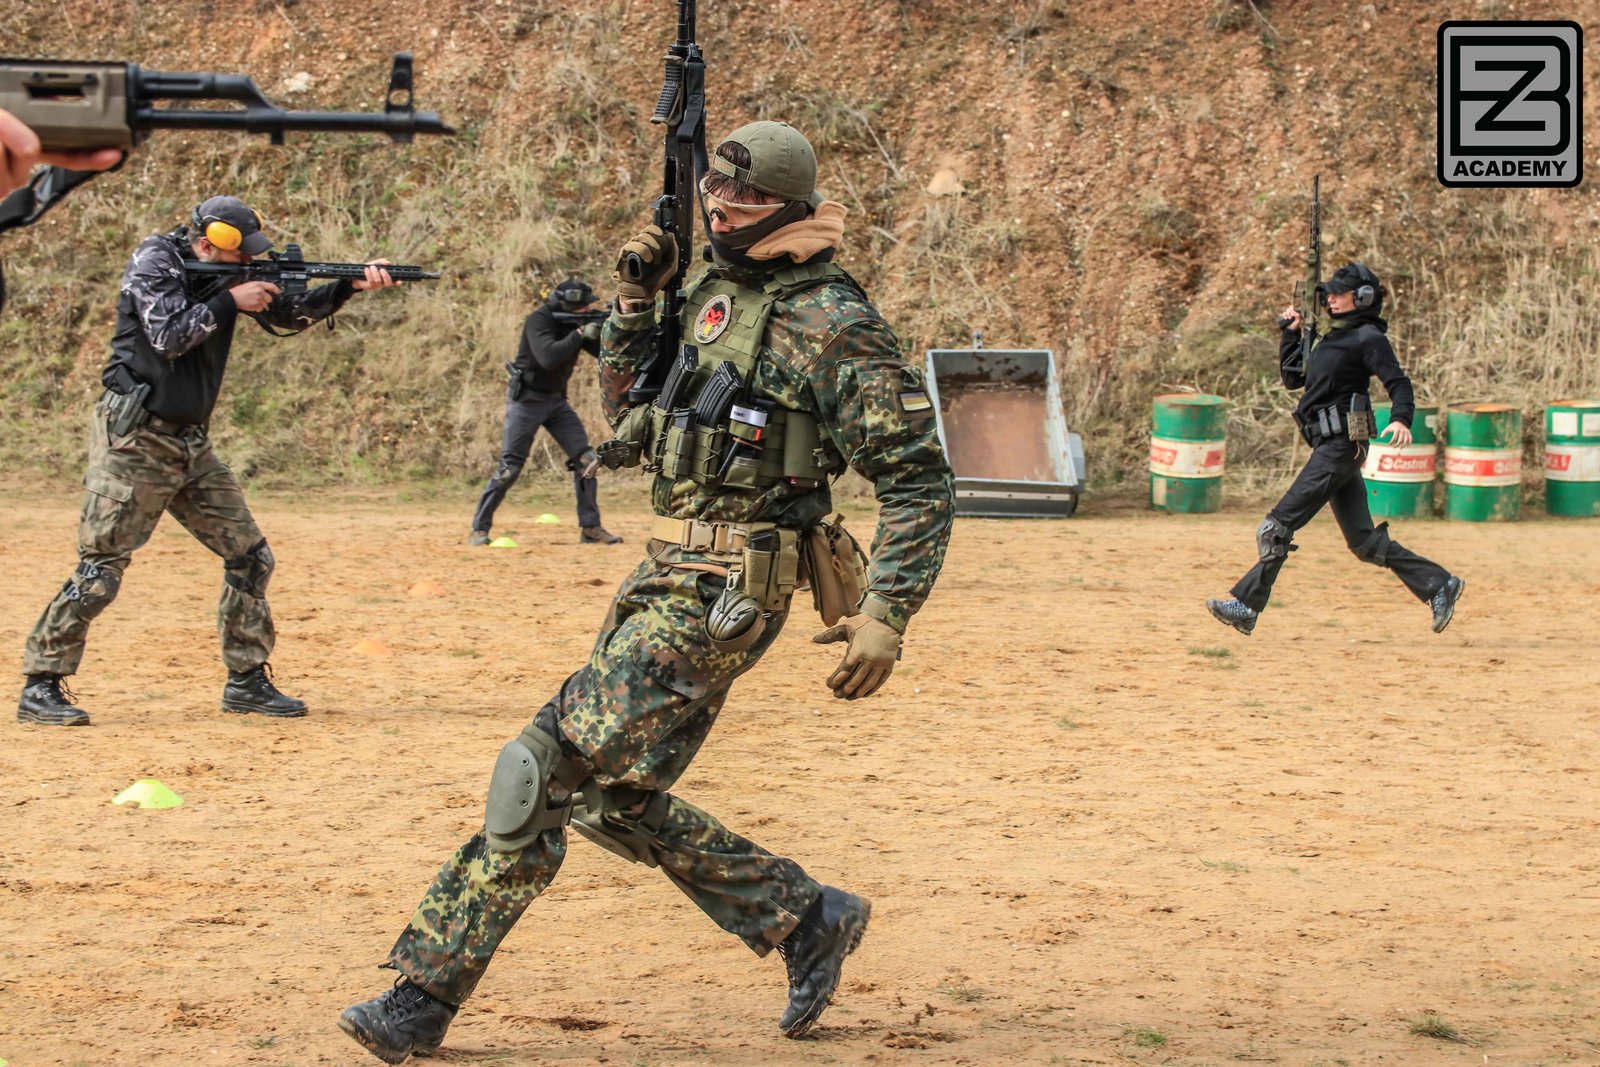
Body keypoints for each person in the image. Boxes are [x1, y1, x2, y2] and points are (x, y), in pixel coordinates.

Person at [338, 120, 955, 1063]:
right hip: (662, 569)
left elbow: (918, 476)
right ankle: (804, 918)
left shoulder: (834, 322)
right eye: (716, 191)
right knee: (613, 795)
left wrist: (889, 611)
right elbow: (630, 408)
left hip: (726, 592)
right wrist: (635, 300)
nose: (721, 208)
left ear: (790, 206)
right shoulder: (711, 286)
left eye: (744, 199)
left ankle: (421, 993)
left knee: (542, 769)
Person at [17, 195, 403, 727]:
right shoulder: (155, 261)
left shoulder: (226, 276)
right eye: (237, 257)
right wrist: (231, 300)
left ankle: (246, 681)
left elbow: (290, 315)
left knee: (250, 557)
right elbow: (168, 335)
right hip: (135, 439)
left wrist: (346, 287)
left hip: (191, 443)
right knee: (102, 569)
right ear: (205, 244)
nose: (246, 266)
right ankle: (40, 683)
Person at [1206, 262, 1465, 636]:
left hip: (1341, 447)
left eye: (1339, 293)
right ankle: (1439, 584)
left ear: (1361, 299)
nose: (1330, 298)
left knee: (1275, 527)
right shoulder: (1330, 338)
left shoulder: (1367, 338)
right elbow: (1294, 379)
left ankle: (1246, 606)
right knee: (1363, 542)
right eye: (1329, 293)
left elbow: (1399, 383)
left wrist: (1401, 419)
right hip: (1331, 447)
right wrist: (1292, 336)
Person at [467, 277, 621, 546]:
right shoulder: (539, 320)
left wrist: (612, 331)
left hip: (556, 402)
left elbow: (602, 354)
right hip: (526, 401)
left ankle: (590, 528)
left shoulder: (576, 323)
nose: (587, 311)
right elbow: (548, 357)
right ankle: (479, 529)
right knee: (509, 468)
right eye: (582, 307)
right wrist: (579, 334)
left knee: (587, 461)